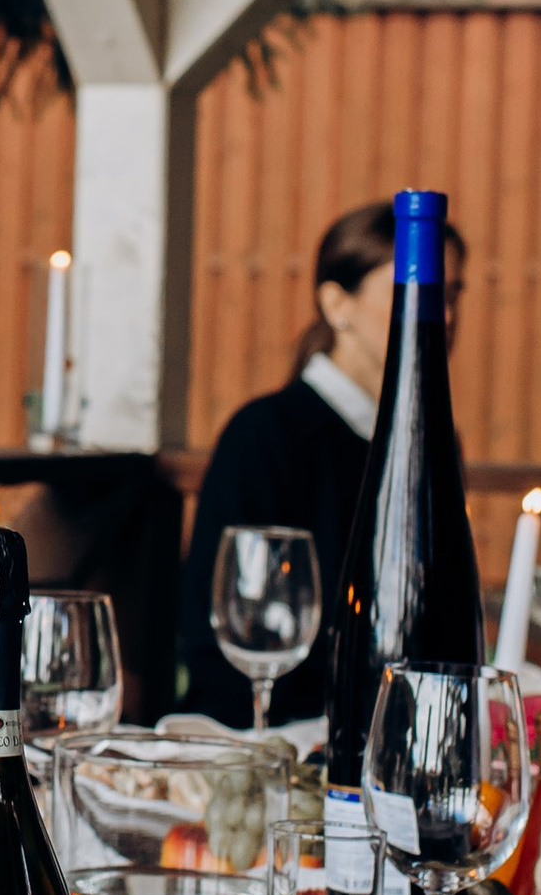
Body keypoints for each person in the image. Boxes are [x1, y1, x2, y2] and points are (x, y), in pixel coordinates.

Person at [176, 198, 467, 725]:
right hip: (262, 733)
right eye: (417, 293)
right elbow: (219, 639)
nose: (444, 316)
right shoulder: (265, 435)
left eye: (451, 294)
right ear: (337, 305)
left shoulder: (434, 447)